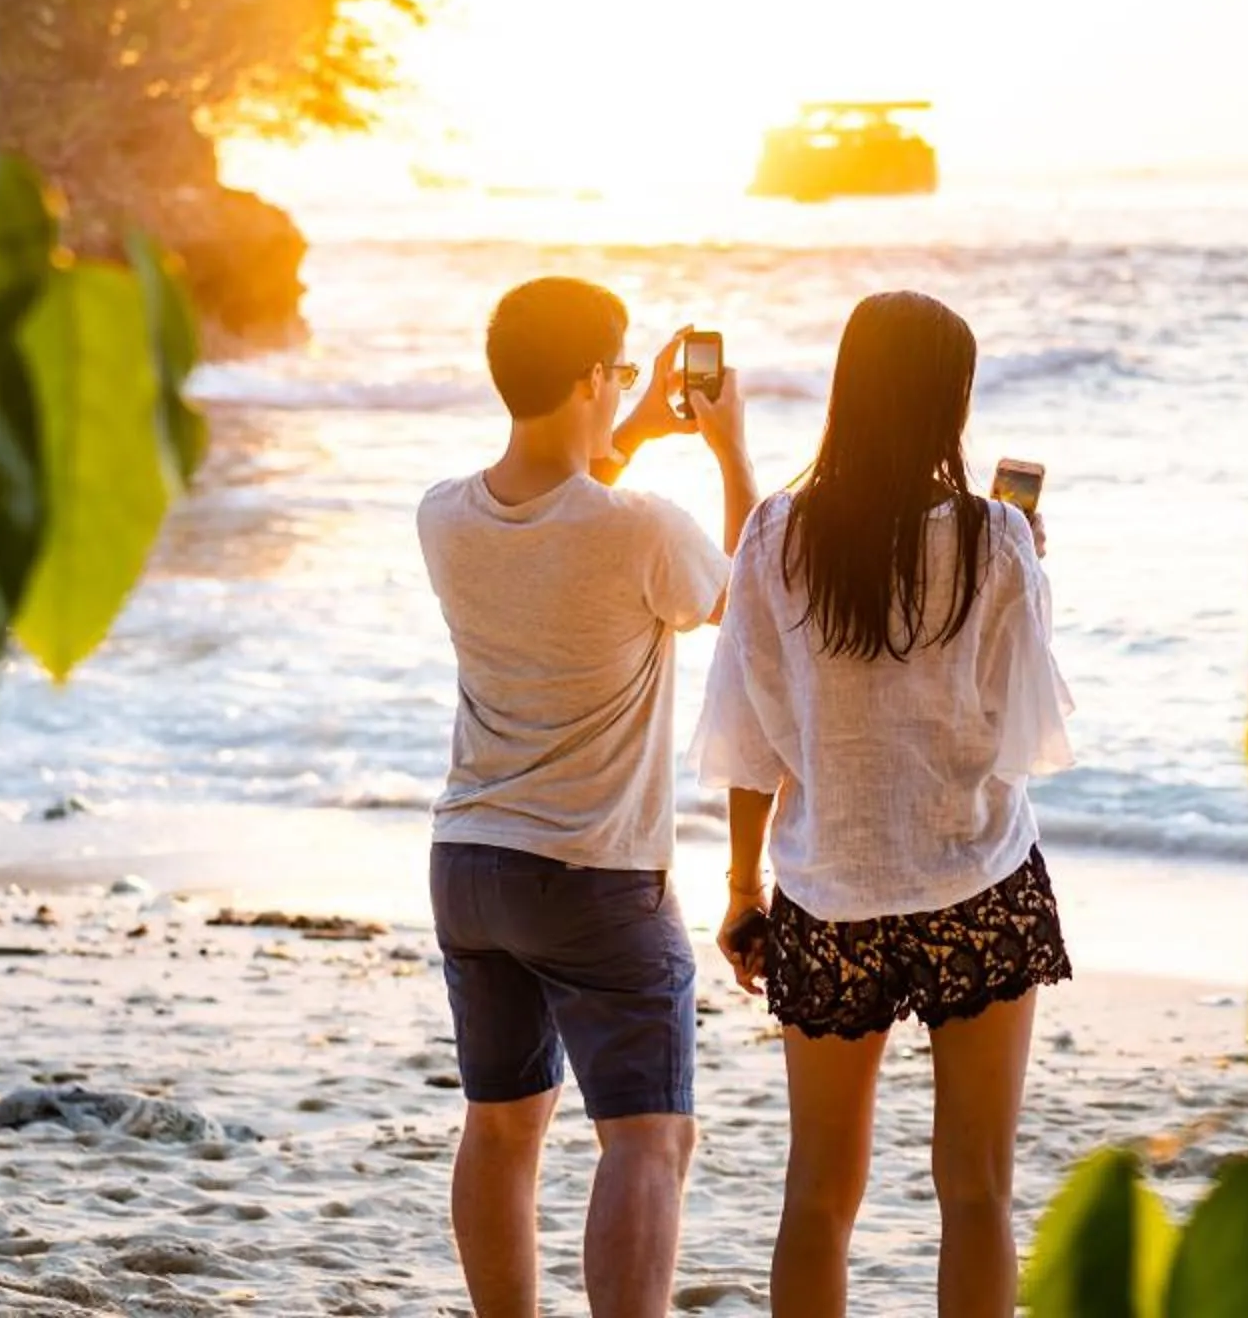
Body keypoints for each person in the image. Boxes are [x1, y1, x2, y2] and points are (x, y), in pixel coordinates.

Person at [688, 290, 1075, 1318]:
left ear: (847, 390)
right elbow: (1024, 730)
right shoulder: (998, 537)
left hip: (829, 893)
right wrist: (1033, 574)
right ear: (952, 398)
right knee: (978, 1191)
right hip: (978, 885)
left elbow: (745, 735)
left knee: (817, 1194)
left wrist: (738, 885)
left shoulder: (774, 533)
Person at [416, 277, 757, 1318]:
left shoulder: (444, 515)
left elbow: (561, 504)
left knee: (504, 1122)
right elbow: (746, 603)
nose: (621, 389)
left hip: (470, 861)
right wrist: (730, 451)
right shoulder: (641, 527)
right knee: (649, 1136)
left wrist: (635, 425)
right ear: (581, 381)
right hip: (592, 874)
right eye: (614, 373)